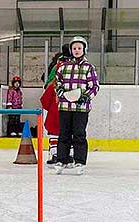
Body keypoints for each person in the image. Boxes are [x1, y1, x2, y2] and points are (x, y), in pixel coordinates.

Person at [54, 36, 99, 175]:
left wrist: (85, 97)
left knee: (79, 134)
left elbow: (94, 86)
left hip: (81, 108)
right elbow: (57, 83)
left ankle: (80, 161)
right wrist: (61, 92)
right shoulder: (64, 67)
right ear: (71, 50)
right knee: (64, 134)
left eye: (79, 48)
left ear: (84, 50)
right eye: (74, 48)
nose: (77, 50)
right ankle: (62, 160)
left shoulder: (89, 68)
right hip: (65, 107)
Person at [40, 44, 72, 166]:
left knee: (55, 130)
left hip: (56, 106)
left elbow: (47, 86)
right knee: (68, 130)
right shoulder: (76, 66)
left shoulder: (56, 67)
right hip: (67, 105)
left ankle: (55, 154)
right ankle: (68, 154)